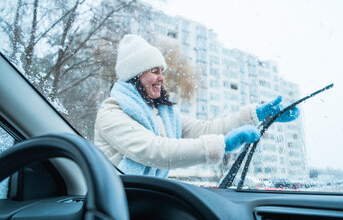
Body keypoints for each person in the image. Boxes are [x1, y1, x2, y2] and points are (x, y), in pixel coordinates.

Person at [93, 34, 299, 178]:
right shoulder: (111, 113)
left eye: (162, 71)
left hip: (144, 196)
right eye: (155, 71)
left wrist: (254, 115)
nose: (162, 78)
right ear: (135, 74)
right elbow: (154, 150)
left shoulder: (163, 114)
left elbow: (204, 129)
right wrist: (221, 145)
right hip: (116, 203)